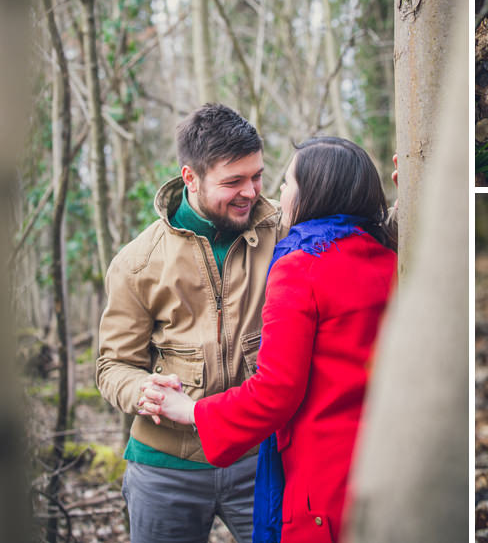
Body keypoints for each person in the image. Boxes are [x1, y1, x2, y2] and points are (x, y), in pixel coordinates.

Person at [139, 137, 398, 543]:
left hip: (322, 476)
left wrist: (191, 411)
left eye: (286, 183)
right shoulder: (390, 256)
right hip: (388, 464)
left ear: (313, 193)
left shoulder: (300, 267)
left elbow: (276, 390)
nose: (277, 193)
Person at [97, 103, 283, 542]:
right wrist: (139, 390)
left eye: (256, 176)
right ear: (190, 178)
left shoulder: (284, 228)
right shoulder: (137, 263)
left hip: (260, 459)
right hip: (165, 470)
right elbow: (112, 367)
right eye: (232, 181)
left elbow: (352, 234)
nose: (250, 191)